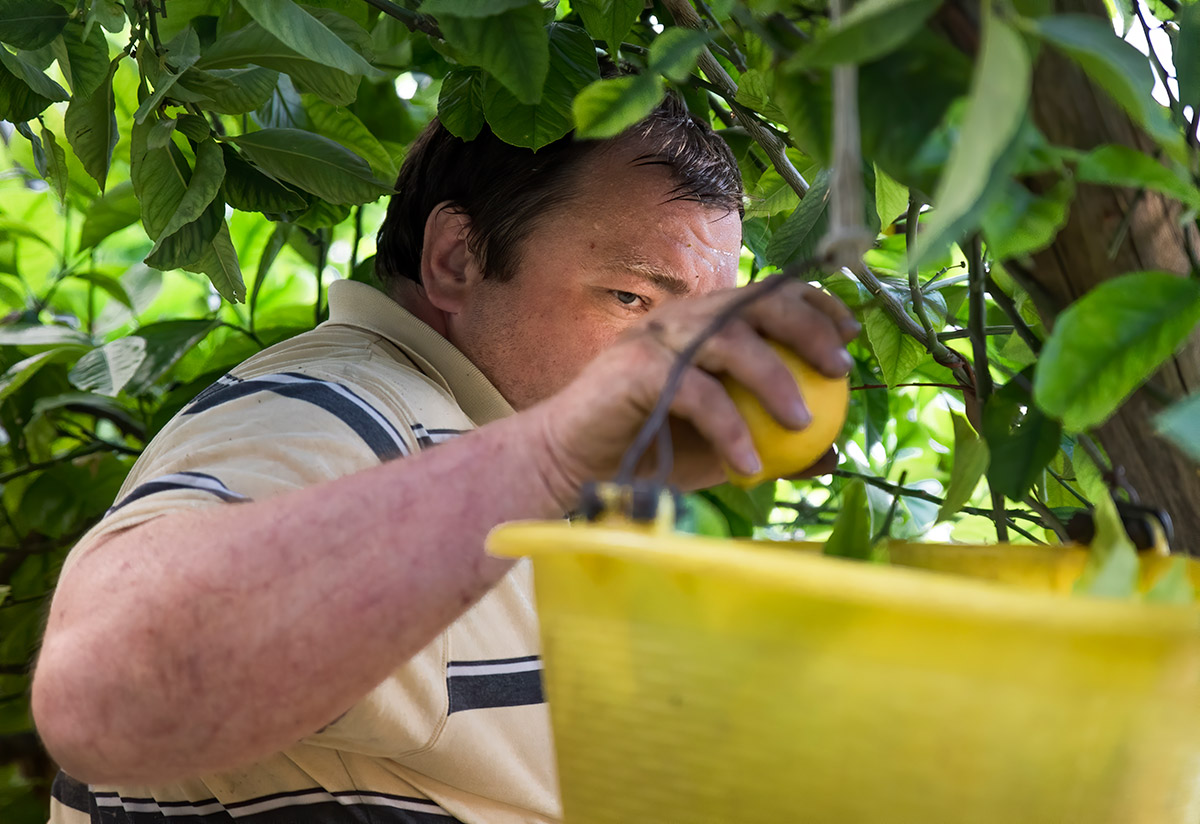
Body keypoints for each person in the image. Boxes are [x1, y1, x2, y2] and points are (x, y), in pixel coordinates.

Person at [31, 93, 858, 823]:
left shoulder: (480, 442)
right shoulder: (333, 411)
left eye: (703, 324)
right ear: (458, 259)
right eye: (633, 298)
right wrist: (553, 451)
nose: (682, 360)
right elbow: (101, 689)